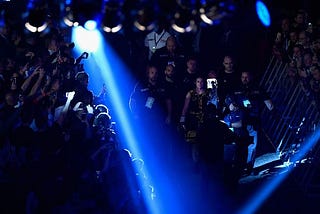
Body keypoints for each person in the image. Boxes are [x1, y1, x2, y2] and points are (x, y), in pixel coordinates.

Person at [233, 71, 274, 172]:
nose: (244, 79)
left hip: (253, 121)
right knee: (240, 144)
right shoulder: (236, 89)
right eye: (243, 77)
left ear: (251, 77)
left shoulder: (258, 89)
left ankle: (248, 166)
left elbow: (270, 105)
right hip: (240, 122)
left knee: (251, 144)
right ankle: (240, 165)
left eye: (246, 77)